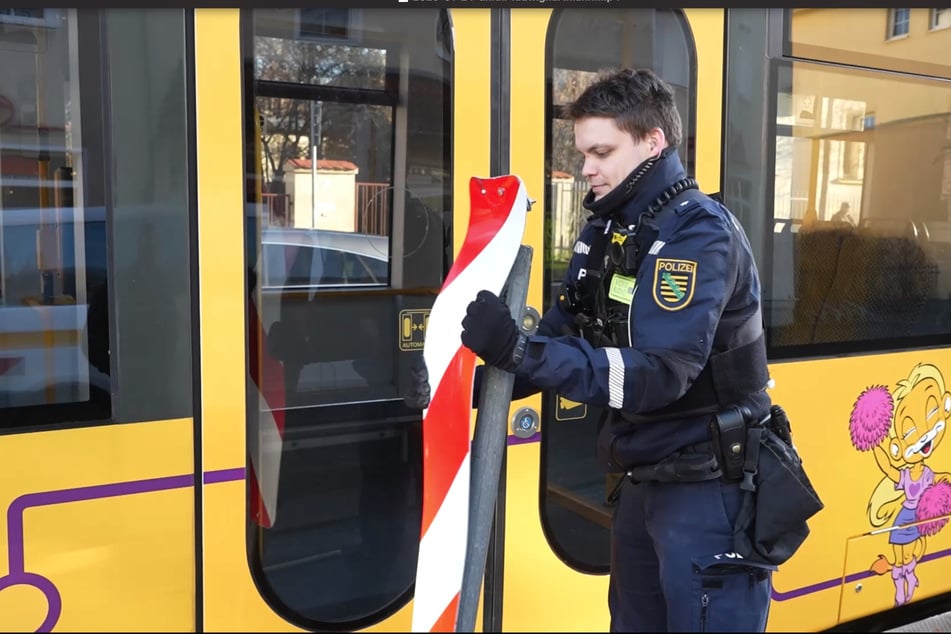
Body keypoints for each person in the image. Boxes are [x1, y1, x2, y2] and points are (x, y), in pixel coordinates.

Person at [458, 68, 774, 632]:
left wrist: (517, 353)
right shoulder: (611, 229)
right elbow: (564, 329)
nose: (586, 168)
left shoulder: (698, 235)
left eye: (601, 151)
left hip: (706, 492)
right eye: (583, 153)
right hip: (642, 478)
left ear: (653, 142)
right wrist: (470, 389)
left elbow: (659, 374)